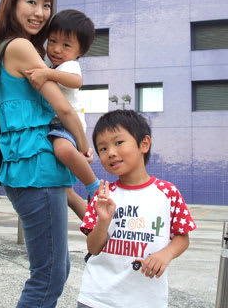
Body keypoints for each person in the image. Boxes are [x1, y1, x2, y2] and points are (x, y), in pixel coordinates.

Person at [0, 0, 93, 308]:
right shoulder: (20, 47)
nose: (41, 12)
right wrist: (83, 145)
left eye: (46, 4)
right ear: (12, 3)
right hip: (36, 170)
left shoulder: (11, 48)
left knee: (55, 270)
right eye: (31, 1)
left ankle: (89, 209)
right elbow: (62, 105)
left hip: (30, 169)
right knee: (48, 275)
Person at [77, 109, 196, 308]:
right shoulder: (103, 195)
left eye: (118, 143)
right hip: (97, 298)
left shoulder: (167, 193)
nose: (111, 153)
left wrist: (165, 254)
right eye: (103, 148)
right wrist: (104, 221)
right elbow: (93, 248)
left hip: (146, 300)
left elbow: (182, 237)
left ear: (144, 144)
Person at [25, 9, 100, 220]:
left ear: (80, 52)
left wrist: (47, 73)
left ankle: (93, 186)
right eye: (53, 41)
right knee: (65, 187)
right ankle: (96, 228)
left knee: (63, 151)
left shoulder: (70, 66)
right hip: (54, 125)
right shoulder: (51, 65)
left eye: (66, 45)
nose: (56, 49)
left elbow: (76, 81)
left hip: (66, 125)